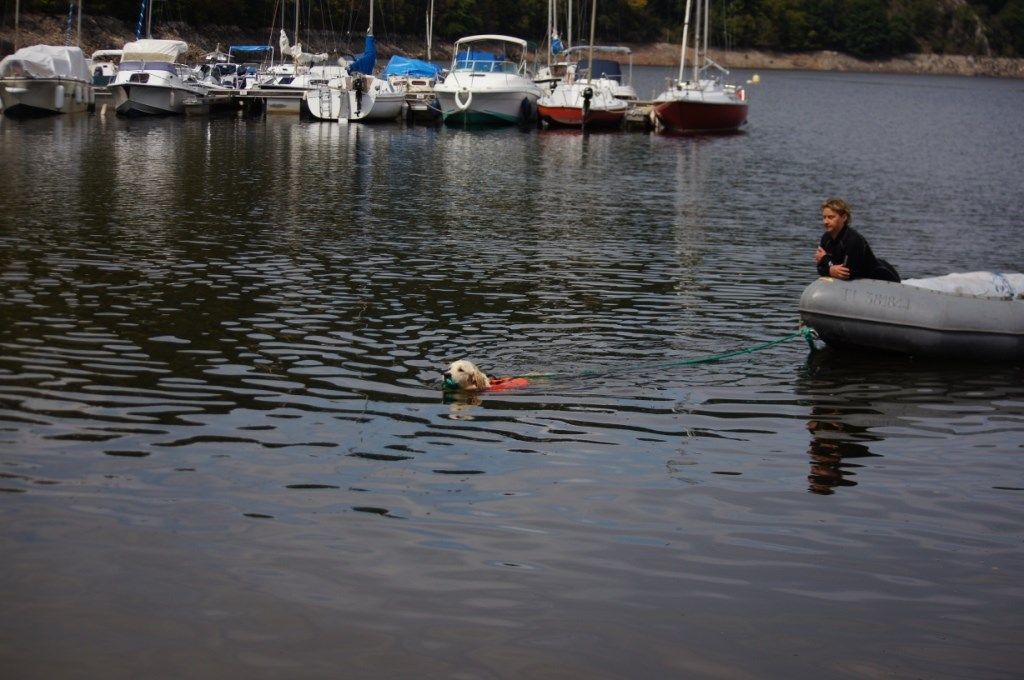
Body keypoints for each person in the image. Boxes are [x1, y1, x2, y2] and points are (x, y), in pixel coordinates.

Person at [815, 198, 900, 282]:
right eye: (824, 217)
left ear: (844, 217)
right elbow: (820, 268)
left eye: (831, 217)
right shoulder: (826, 239)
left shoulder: (852, 240)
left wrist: (826, 260)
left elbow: (846, 274)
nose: (825, 221)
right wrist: (830, 270)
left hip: (886, 278)